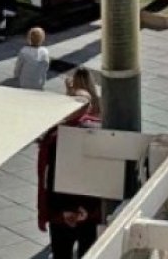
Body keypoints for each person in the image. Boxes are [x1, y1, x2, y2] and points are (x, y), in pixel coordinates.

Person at [37, 91, 105, 259]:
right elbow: (100, 174)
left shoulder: (56, 135)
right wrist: (86, 209)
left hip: (62, 214)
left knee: (62, 253)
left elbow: (50, 177)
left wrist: (65, 210)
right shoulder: (99, 131)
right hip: (89, 212)